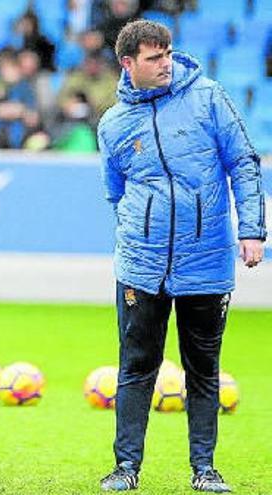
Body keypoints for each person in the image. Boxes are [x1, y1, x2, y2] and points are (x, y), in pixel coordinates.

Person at [98, 20, 266, 492]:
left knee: (203, 370)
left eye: (168, 53)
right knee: (135, 368)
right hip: (140, 266)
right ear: (127, 64)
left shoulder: (209, 98)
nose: (165, 63)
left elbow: (243, 164)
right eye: (154, 57)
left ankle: (204, 469)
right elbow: (115, 193)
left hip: (207, 262)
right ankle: (125, 468)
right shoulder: (112, 125)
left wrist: (252, 231)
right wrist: (136, 236)